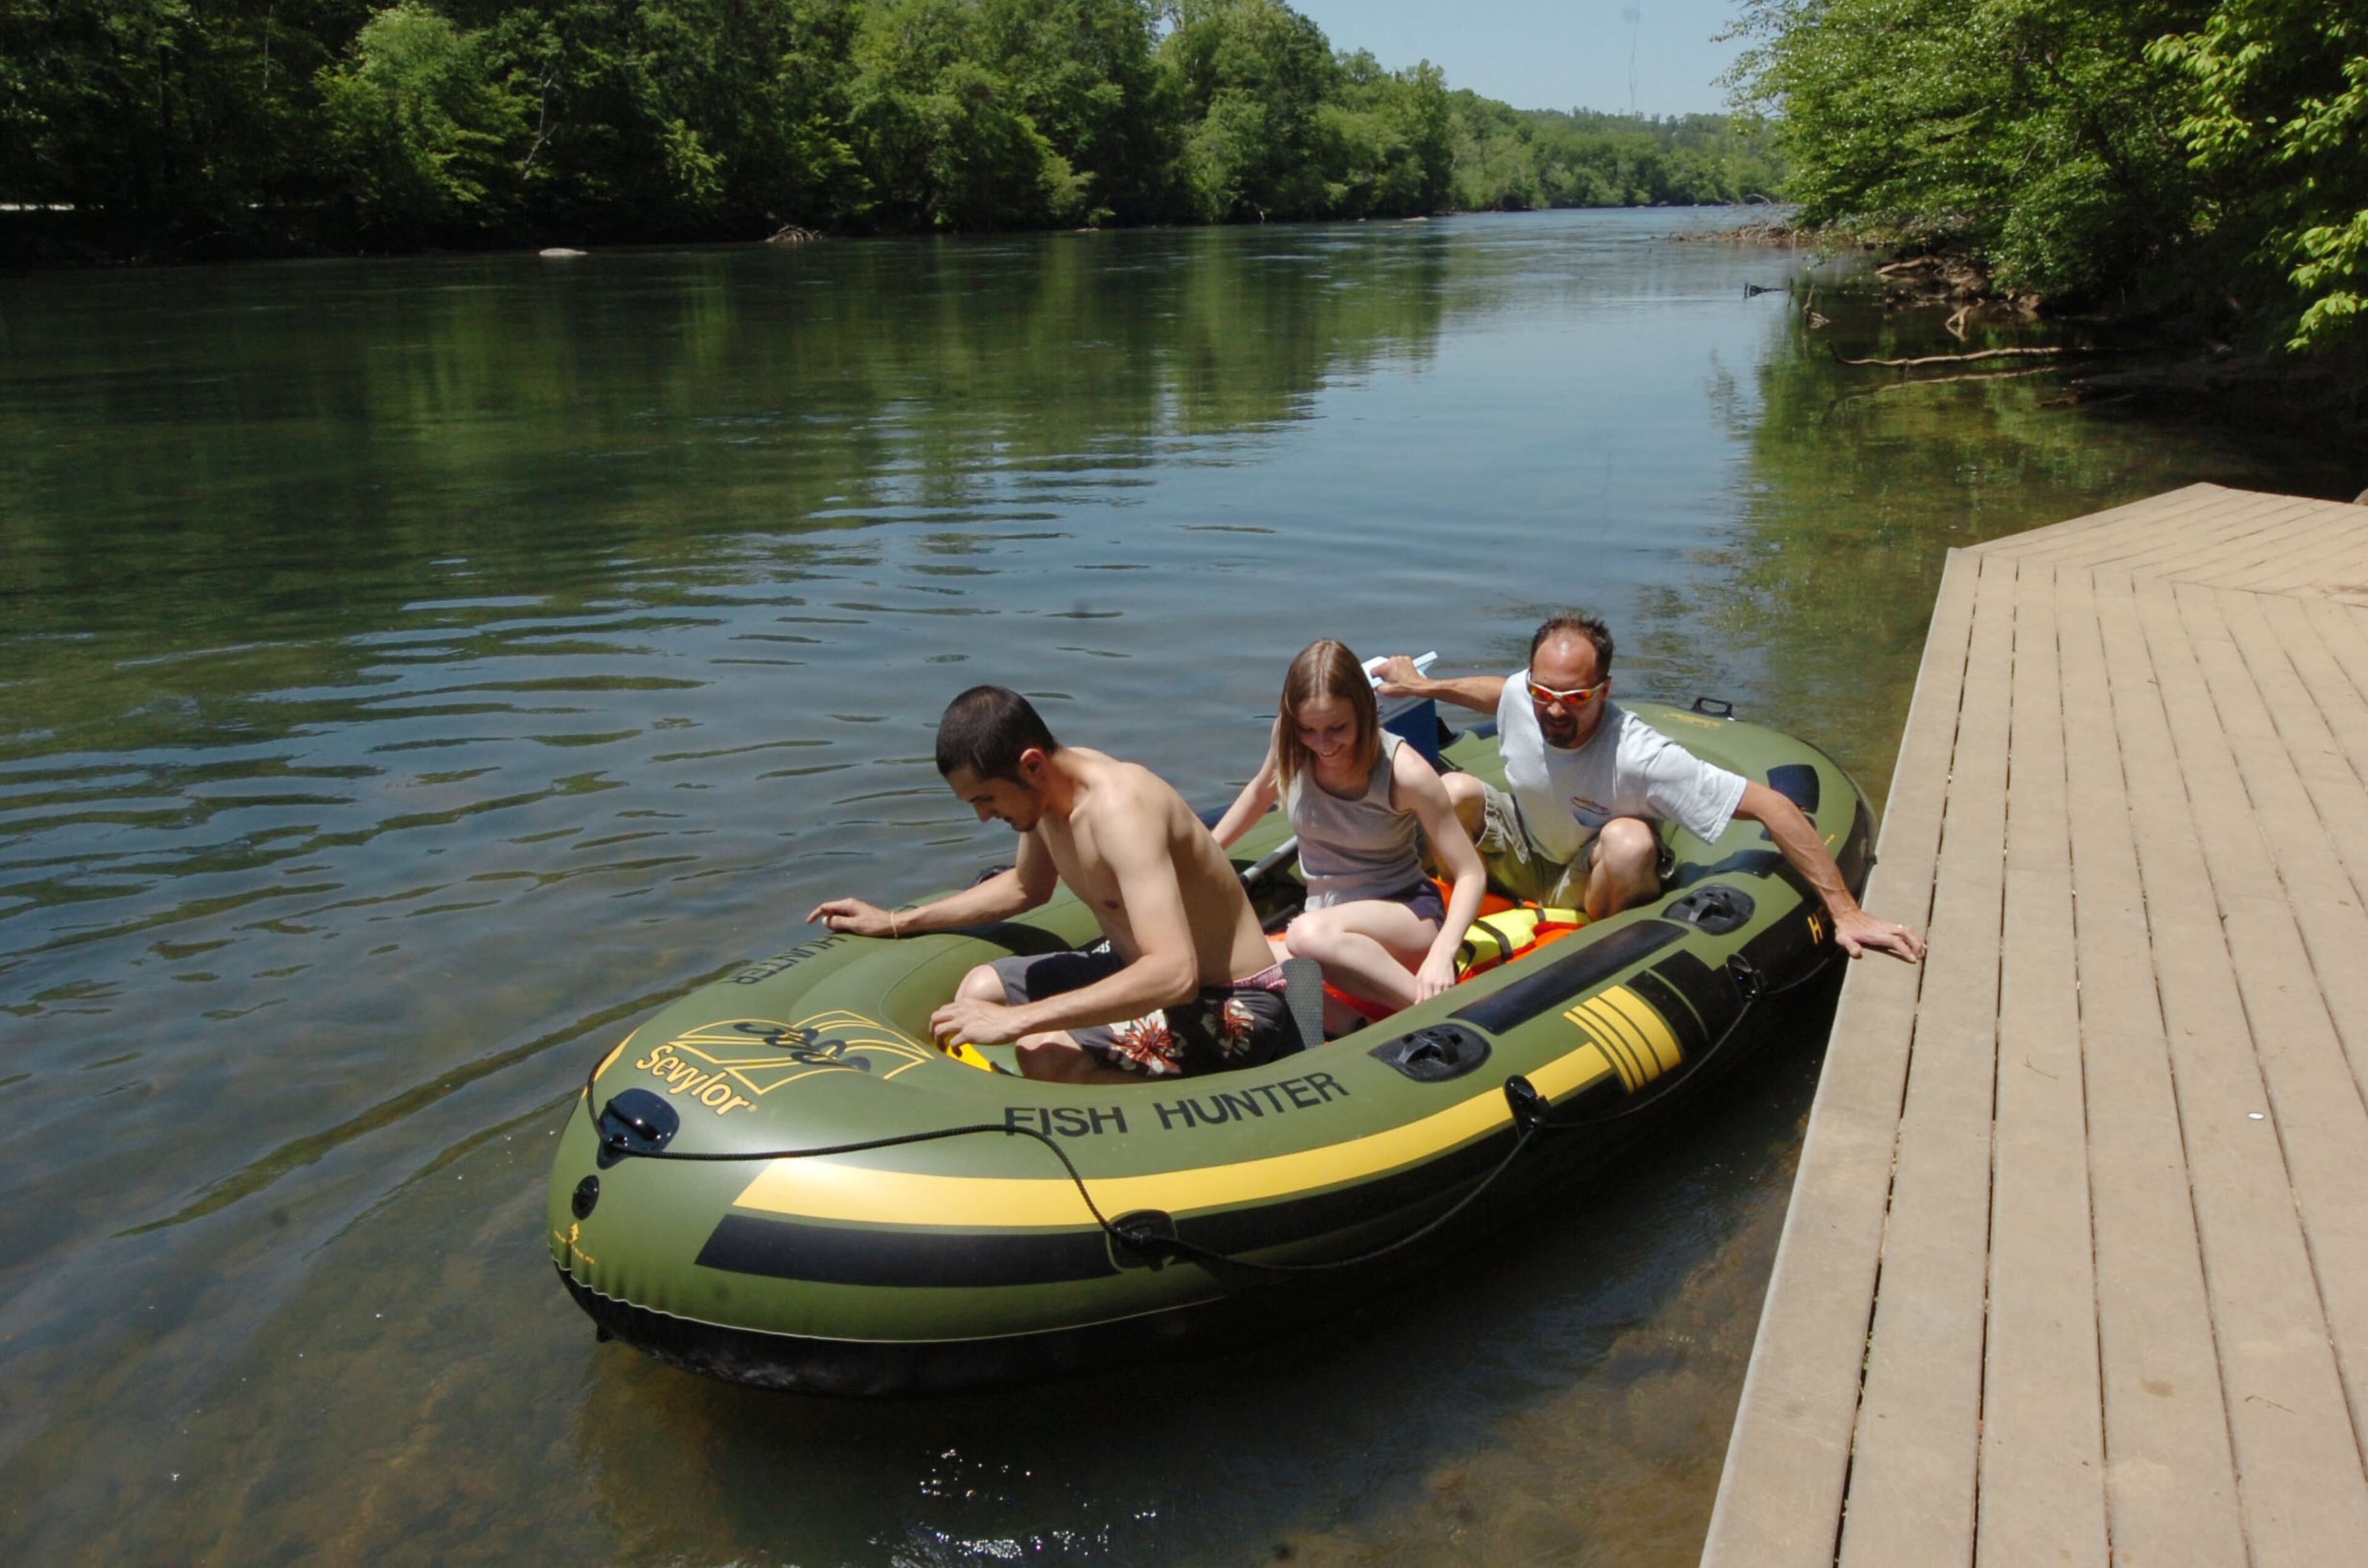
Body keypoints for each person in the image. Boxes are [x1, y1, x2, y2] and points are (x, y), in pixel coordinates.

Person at [805, 685, 1296, 1082]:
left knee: (1043, 1050)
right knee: (979, 987)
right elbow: (1026, 888)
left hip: (1230, 1001)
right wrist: (896, 920)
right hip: (1138, 970)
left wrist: (1020, 1020)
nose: (982, 816)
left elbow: (1174, 973)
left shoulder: (1121, 811)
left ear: (1032, 765)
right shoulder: (1047, 800)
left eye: (986, 798)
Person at [1377, 612, 1925, 963]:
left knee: (1630, 840)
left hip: (1588, 882)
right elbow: (1499, 694)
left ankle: (1586, 953)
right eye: (1544, 692)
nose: (1554, 709)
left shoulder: (1642, 757)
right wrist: (1425, 686)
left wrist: (1846, 912)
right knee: (1453, 791)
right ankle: (1434, 899)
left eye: (1575, 698)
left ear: (1604, 689)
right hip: (1526, 847)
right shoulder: (1527, 695)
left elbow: (1773, 805)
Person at [1209, 639, 1486, 1027]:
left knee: (1306, 935)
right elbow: (1259, 793)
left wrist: (1443, 952)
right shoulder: (1289, 744)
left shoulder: (1404, 772)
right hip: (1324, 924)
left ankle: (1440, 1013)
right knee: (1225, 960)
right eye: (1308, 729)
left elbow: (1471, 873)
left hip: (1404, 919)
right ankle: (1355, 1030)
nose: (1323, 745)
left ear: (1365, 713)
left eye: (1337, 728)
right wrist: (1206, 853)